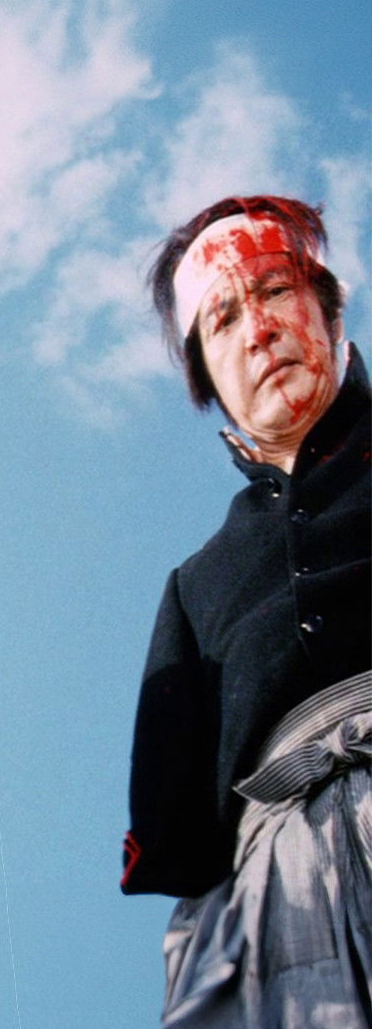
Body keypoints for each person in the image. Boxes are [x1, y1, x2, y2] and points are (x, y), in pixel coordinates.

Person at [123, 196, 369, 1026]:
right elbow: (184, 845)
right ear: (208, 377)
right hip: (282, 906)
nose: (258, 330)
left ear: (329, 310)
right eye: (223, 318)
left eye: (275, 289)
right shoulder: (196, 587)